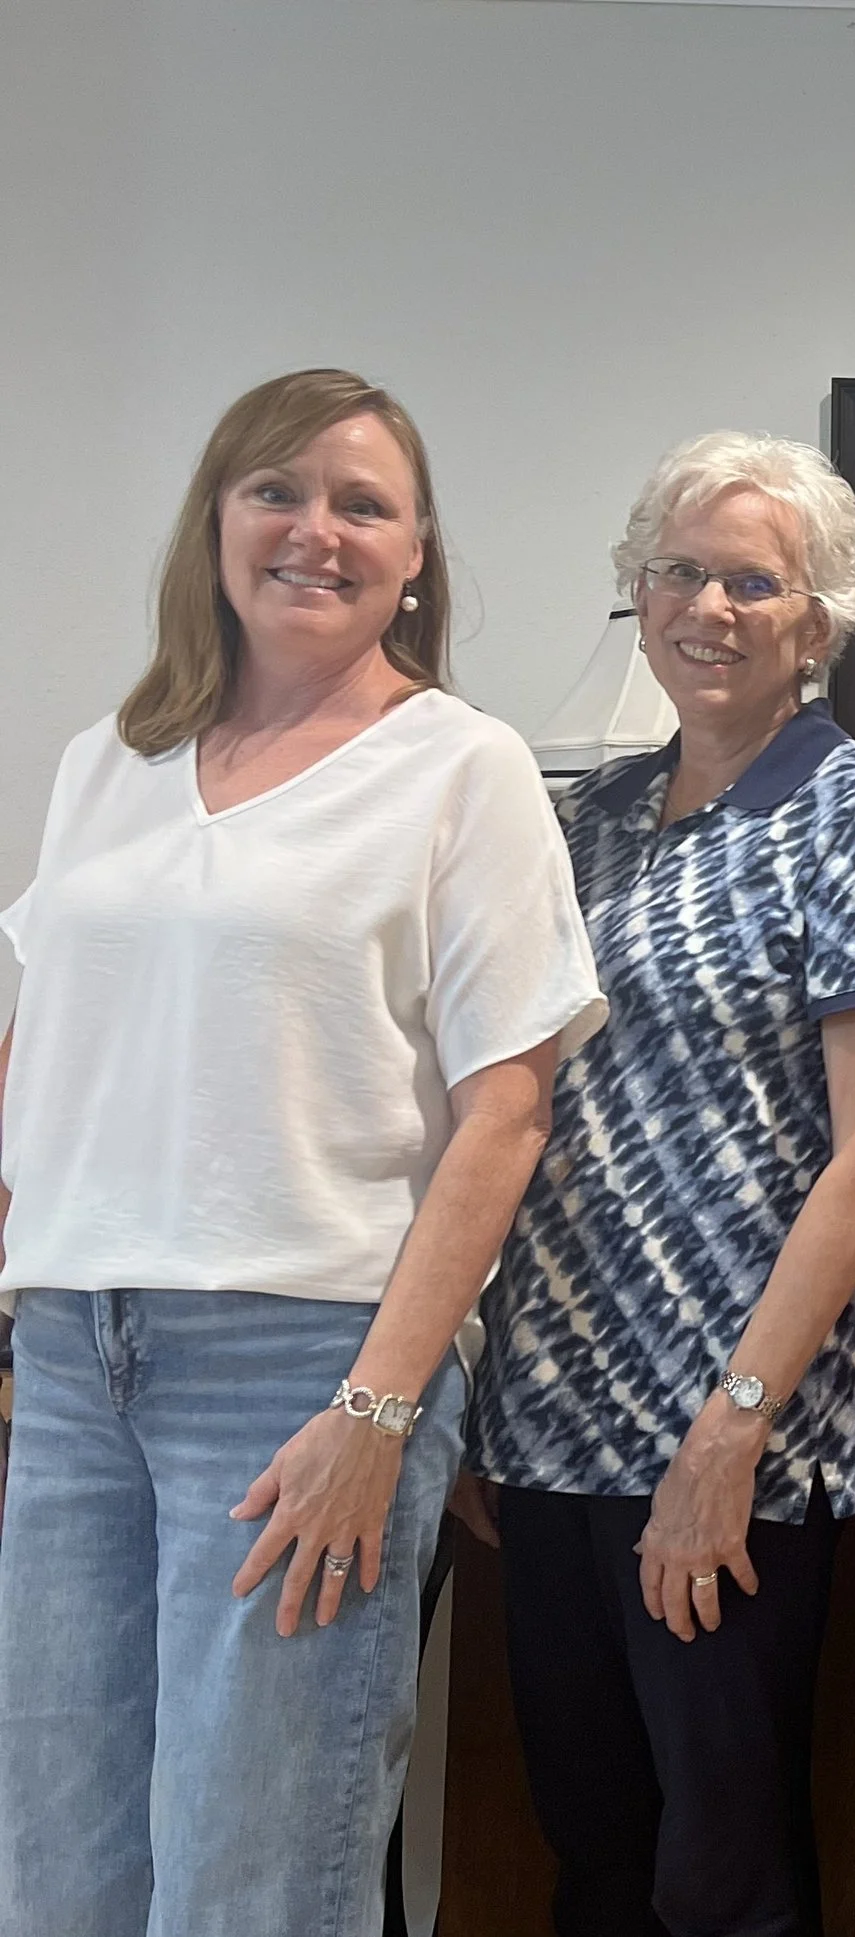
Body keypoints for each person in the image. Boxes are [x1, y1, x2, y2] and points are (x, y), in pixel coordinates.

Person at [0, 367, 605, 1935]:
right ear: (216, 521)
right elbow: (47, 1049)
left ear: (417, 555)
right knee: (57, 1871)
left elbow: (508, 1109)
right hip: (73, 1359)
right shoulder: (108, 765)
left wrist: (382, 1407)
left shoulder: (459, 769)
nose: (314, 531)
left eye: (364, 505)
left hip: (300, 1371)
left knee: (250, 1884)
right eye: (278, 491)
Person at [464, 433, 855, 1937]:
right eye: (681, 572)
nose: (711, 608)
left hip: (730, 1422)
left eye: (757, 581)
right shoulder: (586, 820)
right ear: (639, 595)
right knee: (589, 1842)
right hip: (549, 1424)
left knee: (720, 1871)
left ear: (820, 620)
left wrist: (728, 1434)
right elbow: (511, 1097)